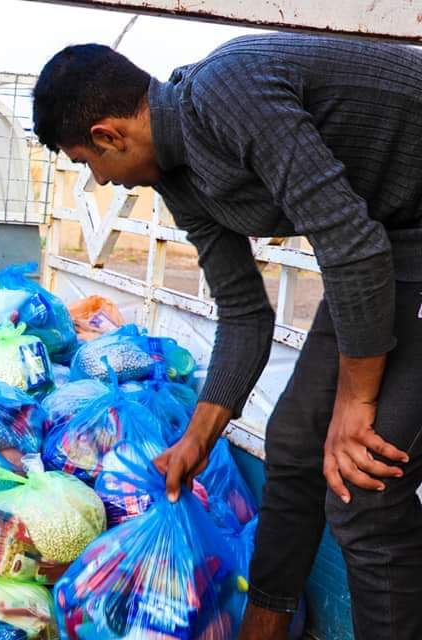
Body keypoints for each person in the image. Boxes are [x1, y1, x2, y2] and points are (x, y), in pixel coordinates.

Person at [32, 33, 422, 640]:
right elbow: (244, 312)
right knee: (294, 443)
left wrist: (356, 402)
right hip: (390, 239)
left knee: (363, 484)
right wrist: (198, 439)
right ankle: (262, 627)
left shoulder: (228, 91)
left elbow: (349, 243)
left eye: (88, 163)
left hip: (380, 242)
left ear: (109, 136)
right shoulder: (178, 177)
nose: (100, 181)